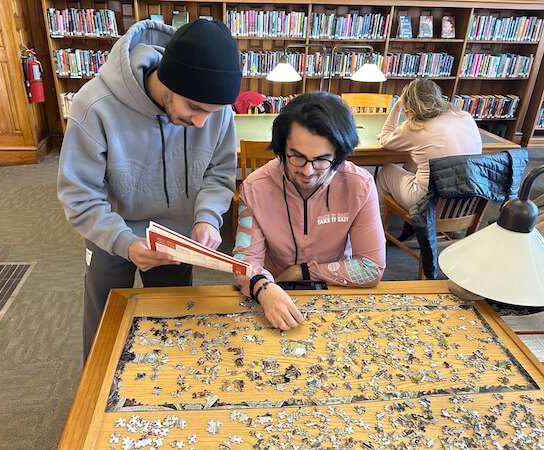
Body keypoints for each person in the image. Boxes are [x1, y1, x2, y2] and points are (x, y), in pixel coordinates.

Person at [57, 19, 242, 360]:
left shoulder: (216, 110)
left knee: (172, 324)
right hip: (111, 235)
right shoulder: (94, 104)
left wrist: (207, 218)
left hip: (177, 239)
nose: (201, 122)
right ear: (168, 82)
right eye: (195, 109)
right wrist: (124, 243)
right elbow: (80, 196)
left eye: (211, 113)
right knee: (105, 328)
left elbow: (219, 174)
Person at [233, 93, 386, 331]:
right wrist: (262, 287)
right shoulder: (255, 188)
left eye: (322, 160)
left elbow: (372, 267)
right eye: (297, 157)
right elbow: (244, 262)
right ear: (282, 147)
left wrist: (302, 271)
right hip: (271, 292)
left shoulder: (360, 185)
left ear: (338, 154)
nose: (307, 171)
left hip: (335, 292)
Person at [376, 79, 482, 220]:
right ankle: (451, 227)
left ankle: (377, 224)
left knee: (386, 171)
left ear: (409, 104)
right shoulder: (465, 117)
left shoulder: (416, 127)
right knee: (411, 165)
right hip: (464, 199)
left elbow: (385, 140)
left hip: (429, 204)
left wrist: (396, 108)